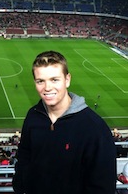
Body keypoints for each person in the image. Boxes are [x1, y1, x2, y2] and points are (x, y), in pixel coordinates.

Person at [12, 50, 116, 194]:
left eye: (54, 79)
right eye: (40, 81)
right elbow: (24, 157)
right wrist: (20, 187)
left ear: (67, 80)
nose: (47, 88)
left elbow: (103, 187)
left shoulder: (95, 129)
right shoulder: (33, 116)